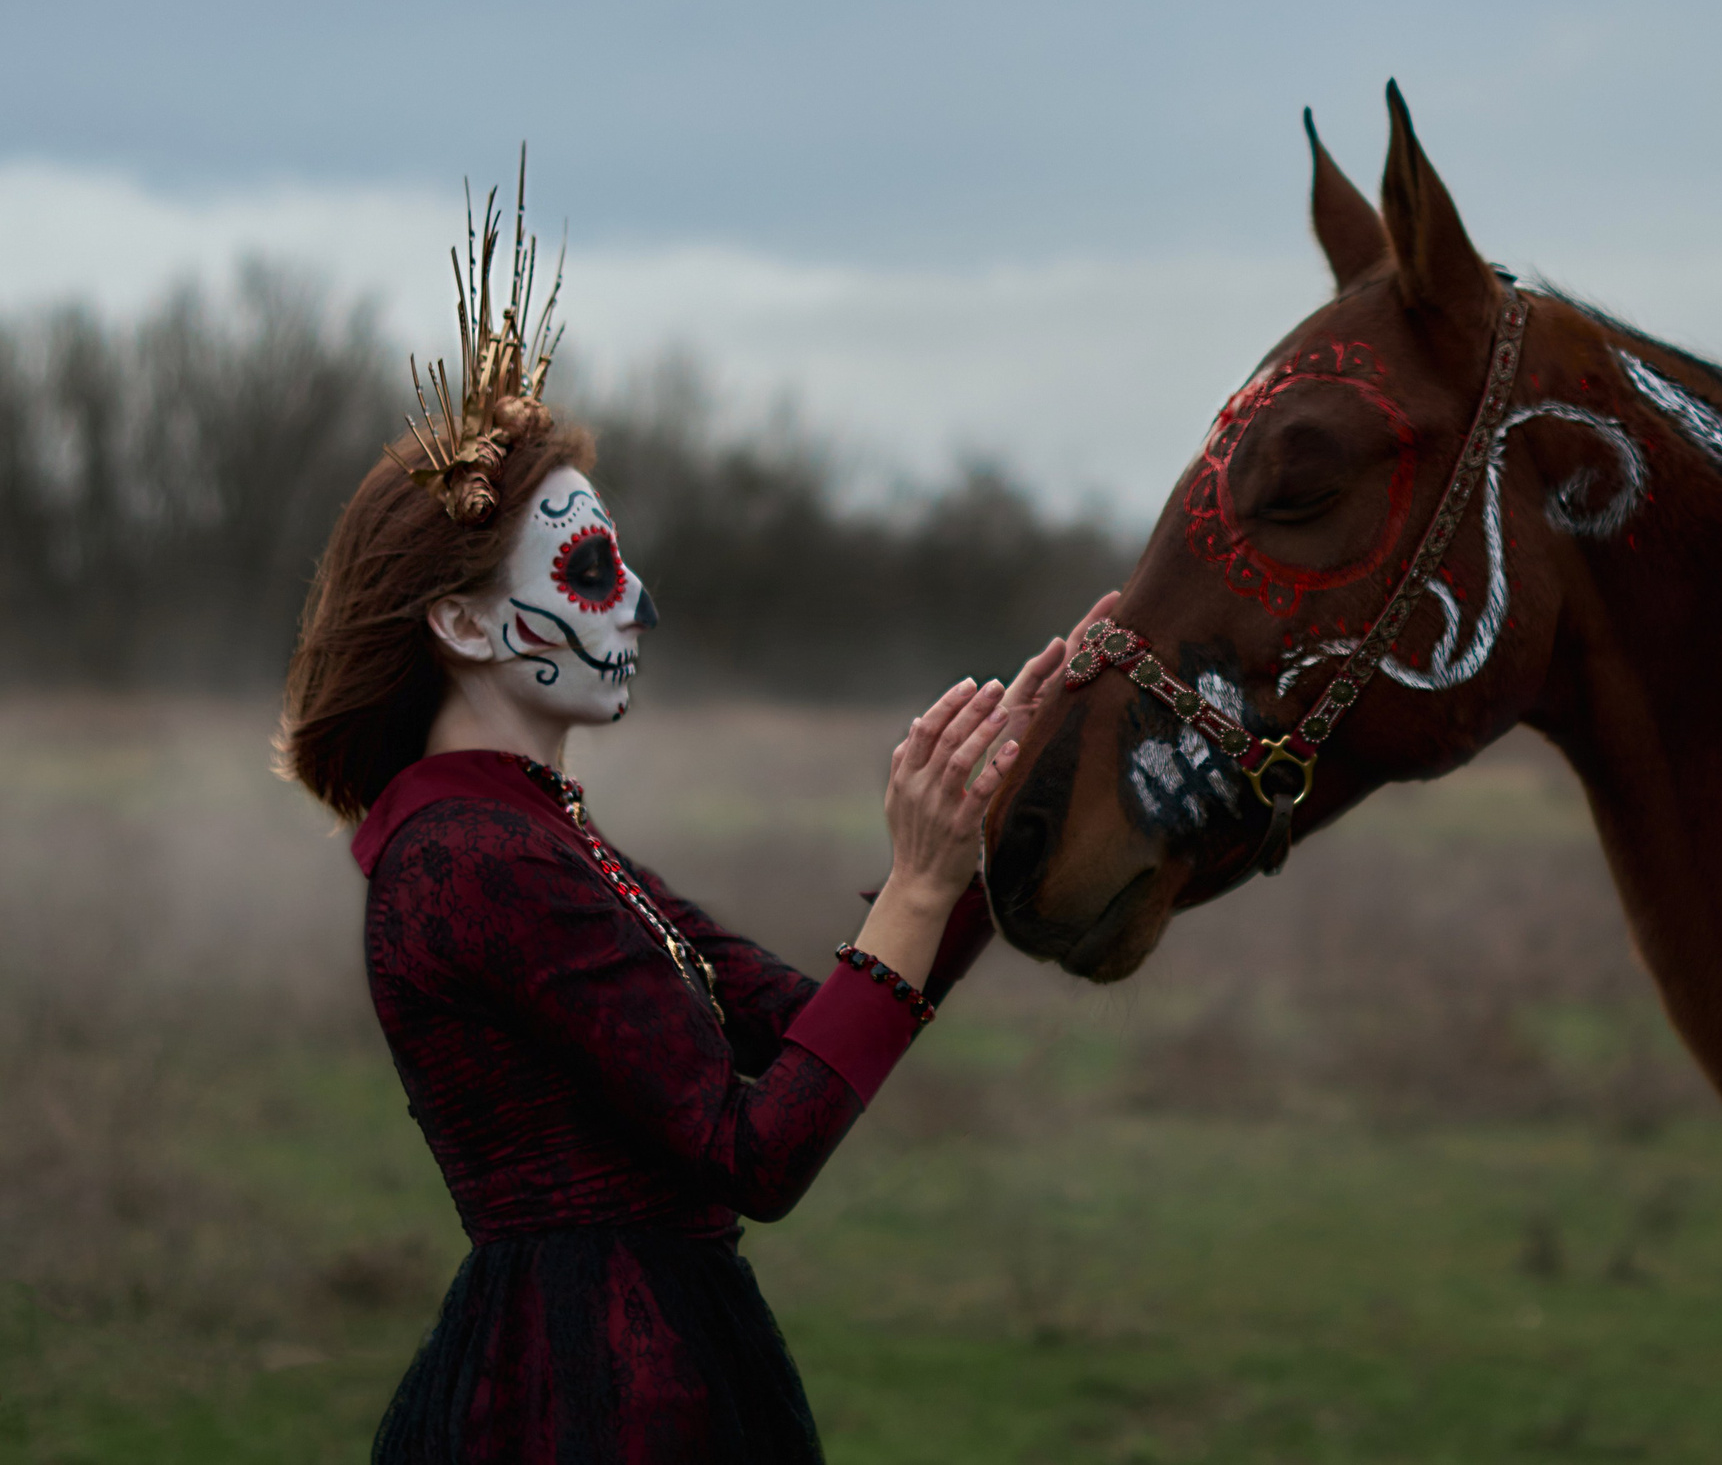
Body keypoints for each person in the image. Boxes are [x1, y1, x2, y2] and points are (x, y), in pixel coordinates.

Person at [276, 207, 1112, 1463]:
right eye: (592, 571)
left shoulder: (532, 833)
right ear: (462, 623)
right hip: (591, 1398)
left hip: (649, 1358)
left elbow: (801, 1023)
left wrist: (991, 824)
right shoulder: (474, 860)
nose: (639, 607)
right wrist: (918, 880)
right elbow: (755, 1151)